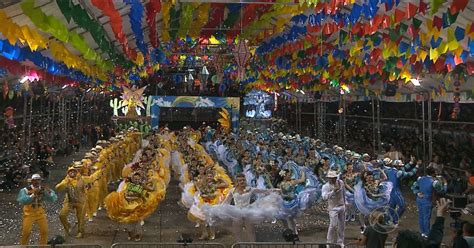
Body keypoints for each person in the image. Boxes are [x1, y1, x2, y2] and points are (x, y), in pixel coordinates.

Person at [17, 174, 58, 245]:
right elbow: (22, 200)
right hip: (29, 214)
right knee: (26, 232)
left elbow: (53, 199)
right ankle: (23, 246)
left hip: (40, 213)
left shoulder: (43, 189)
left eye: (38, 180)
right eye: (35, 180)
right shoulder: (25, 190)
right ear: (32, 181)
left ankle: (43, 246)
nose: (37, 182)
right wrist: (32, 195)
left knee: (44, 231)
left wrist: (50, 192)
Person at [411, 167, 447, 238]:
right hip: (427, 201)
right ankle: (427, 234)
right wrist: (445, 184)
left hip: (419, 200)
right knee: (426, 217)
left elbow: (413, 187)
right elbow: (442, 191)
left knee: (421, 216)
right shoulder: (434, 182)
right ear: (433, 173)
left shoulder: (420, 179)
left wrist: (417, 193)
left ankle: (422, 232)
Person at [56, 165, 89, 238]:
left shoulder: (82, 179)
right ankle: (67, 227)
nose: (72, 173)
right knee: (62, 215)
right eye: (70, 172)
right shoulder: (66, 180)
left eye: (74, 171)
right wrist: (66, 182)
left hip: (80, 201)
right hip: (69, 201)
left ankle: (80, 232)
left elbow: (90, 182)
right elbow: (57, 188)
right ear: (68, 173)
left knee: (81, 218)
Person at [321, 170, 345, 247]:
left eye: (334, 177)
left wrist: (346, 202)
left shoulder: (341, 182)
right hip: (333, 208)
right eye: (330, 178)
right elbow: (324, 197)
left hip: (342, 206)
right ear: (328, 178)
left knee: (342, 225)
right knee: (333, 225)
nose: (332, 179)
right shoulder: (326, 186)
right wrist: (333, 191)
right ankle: (329, 242)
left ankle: (340, 242)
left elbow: (343, 192)